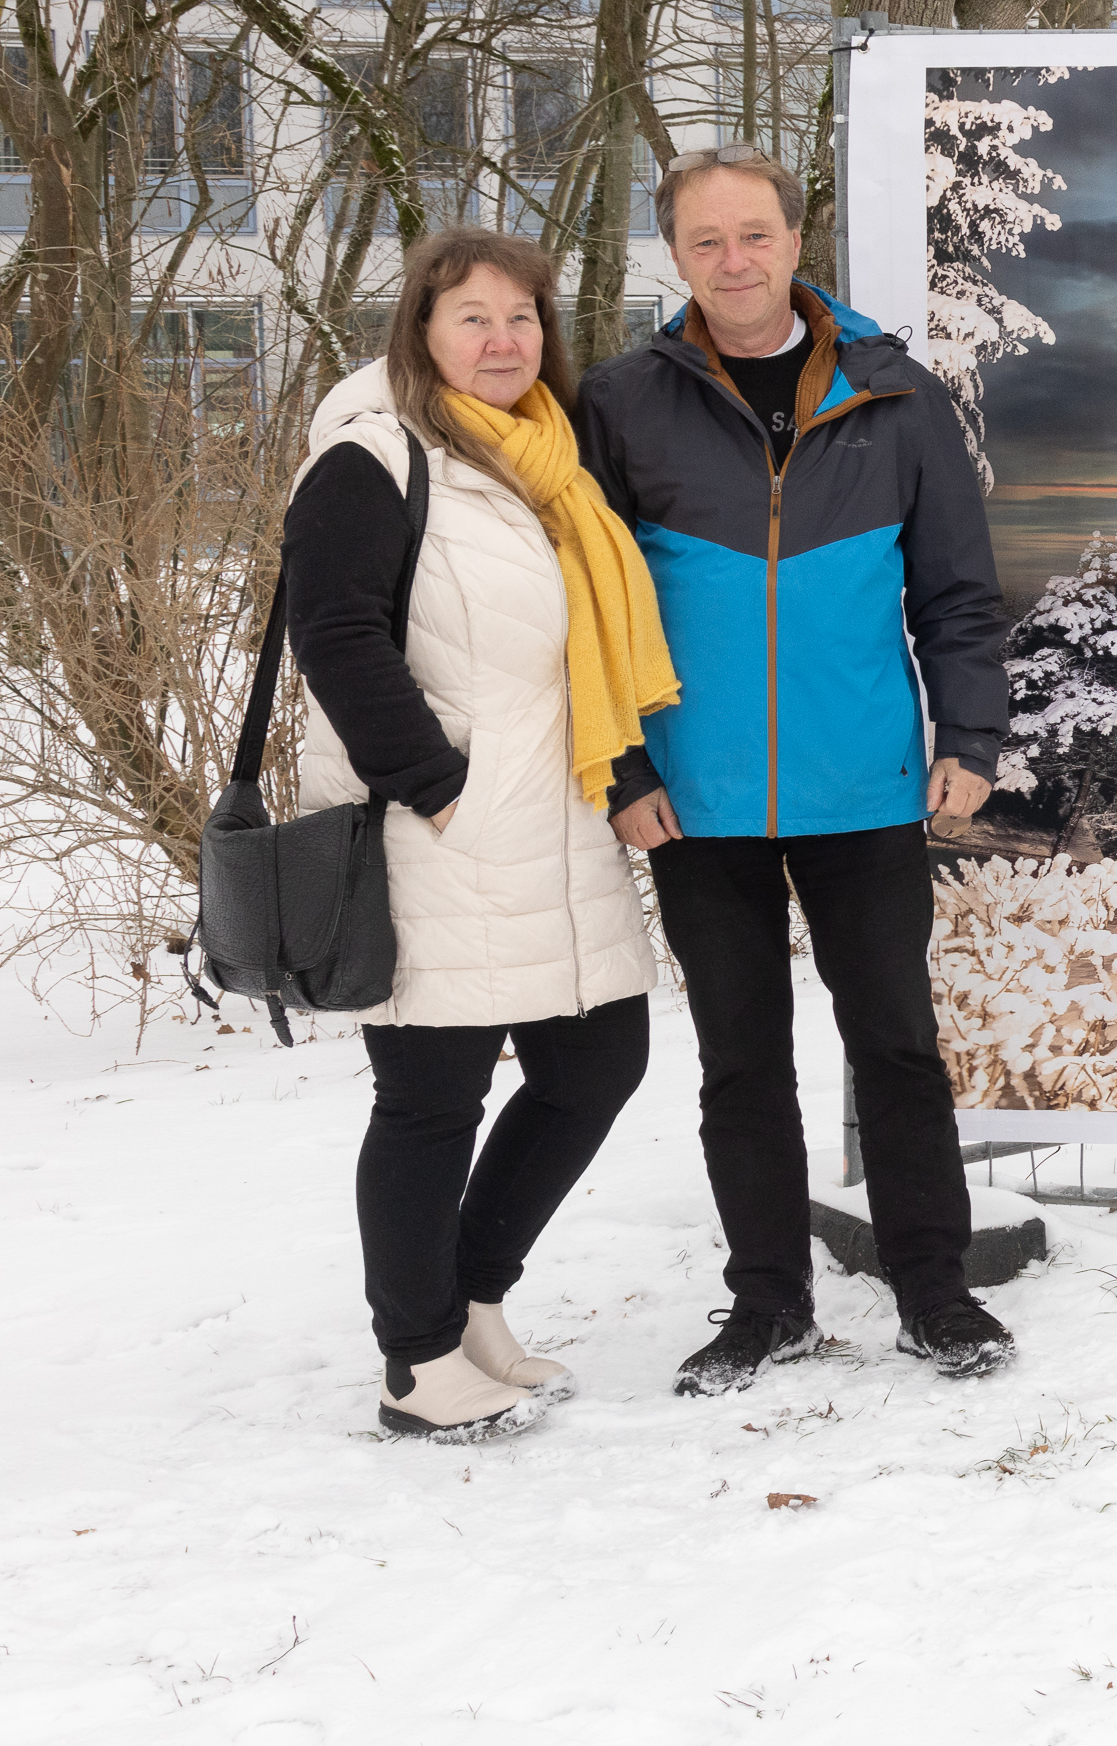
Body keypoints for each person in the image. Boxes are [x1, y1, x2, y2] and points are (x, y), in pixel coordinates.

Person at [575, 145, 1018, 1392]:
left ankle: (937, 1291)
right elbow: (588, 616)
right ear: (676, 254)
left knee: (896, 1045)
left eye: (754, 235)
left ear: (793, 238)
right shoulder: (620, 404)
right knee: (740, 1060)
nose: (735, 261)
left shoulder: (894, 396)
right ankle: (768, 1303)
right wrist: (621, 770)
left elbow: (958, 594)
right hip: (696, 799)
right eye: (706, 241)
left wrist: (969, 739)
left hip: (864, 787)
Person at [287, 230, 680, 1440]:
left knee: (597, 1060)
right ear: (420, 330)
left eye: (522, 317)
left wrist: (618, 773)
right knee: (429, 1100)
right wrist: (432, 782)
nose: (503, 339)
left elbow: (572, 652)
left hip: (555, 821)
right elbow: (336, 633)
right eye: (473, 317)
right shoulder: (371, 459)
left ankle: (471, 1297)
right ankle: (415, 1355)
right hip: (436, 830)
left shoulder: (545, 460)